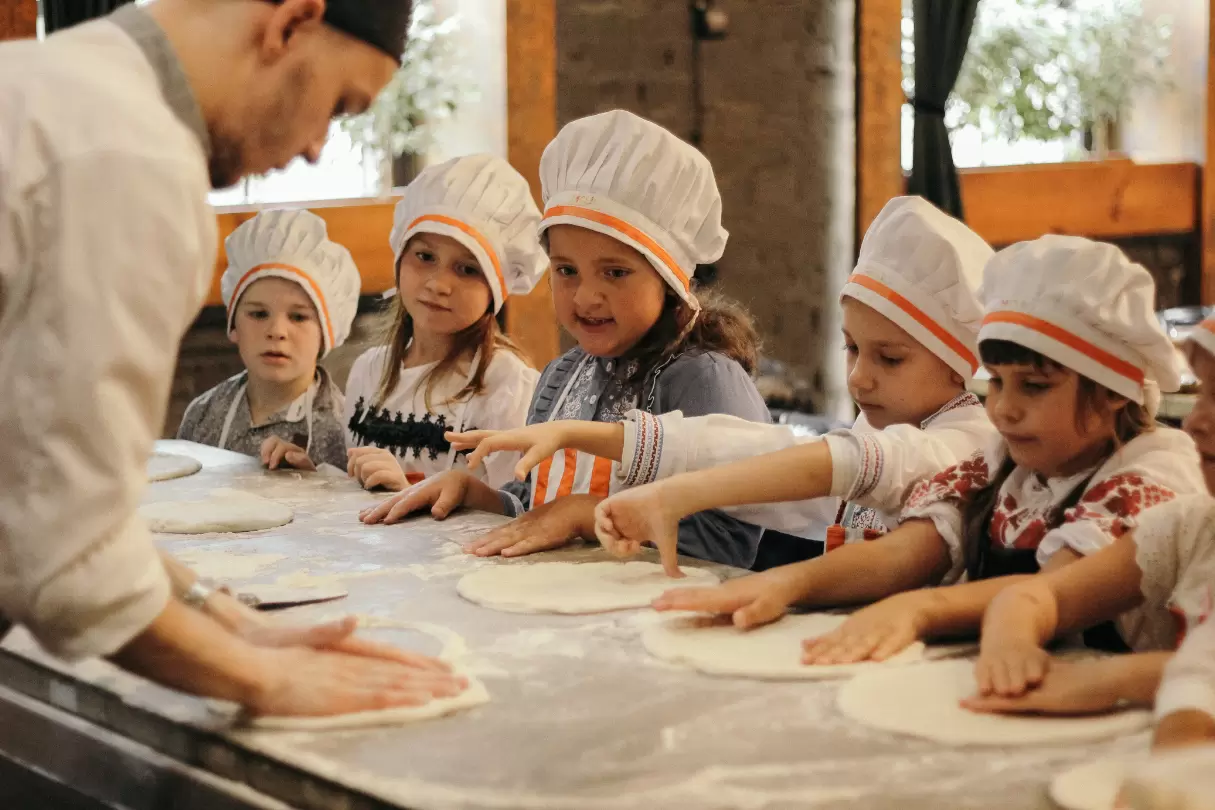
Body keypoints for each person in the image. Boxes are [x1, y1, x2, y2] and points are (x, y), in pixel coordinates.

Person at [0, 0, 466, 718]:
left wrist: (228, 618)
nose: (316, 147)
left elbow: (30, 492)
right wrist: (267, 680)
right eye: (338, 105)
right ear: (290, 23)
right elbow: (69, 565)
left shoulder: (40, 82)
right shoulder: (129, 160)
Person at [450, 195, 997, 578]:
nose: (858, 378)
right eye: (851, 350)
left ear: (962, 364)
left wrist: (671, 497)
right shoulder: (885, 418)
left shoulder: (958, 445)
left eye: (890, 358)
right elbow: (760, 461)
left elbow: (819, 462)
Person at [361, 110, 770, 569]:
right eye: (566, 270)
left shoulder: (702, 378)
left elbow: (732, 543)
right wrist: (478, 495)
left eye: (615, 272)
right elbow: (533, 502)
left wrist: (585, 516)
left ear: (669, 280)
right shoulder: (562, 375)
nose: (587, 296)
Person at [785, 236, 1204, 666]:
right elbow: (906, 553)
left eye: (1034, 387)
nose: (1003, 410)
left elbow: (1056, 591)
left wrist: (917, 609)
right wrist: (786, 585)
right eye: (997, 382)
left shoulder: (1154, 470)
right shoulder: (1009, 465)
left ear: (1113, 393)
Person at [961, 314, 1215, 753]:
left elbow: (1202, 679)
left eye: (1034, 385)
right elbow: (1041, 595)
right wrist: (1013, 637)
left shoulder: (1155, 471)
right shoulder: (1193, 526)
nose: (1195, 424)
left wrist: (1110, 678)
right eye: (1204, 395)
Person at [336, 155, 543, 491]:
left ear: (496, 288)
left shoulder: (505, 384)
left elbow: (517, 511)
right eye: (425, 257)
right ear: (400, 256)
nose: (438, 284)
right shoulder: (367, 371)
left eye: (466, 269)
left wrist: (409, 492)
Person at [178, 209, 356, 471]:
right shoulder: (203, 414)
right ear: (233, 325)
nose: (277, 331)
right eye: (259, 314)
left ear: (326, 333)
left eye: (298, 317)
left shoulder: (344, 429)